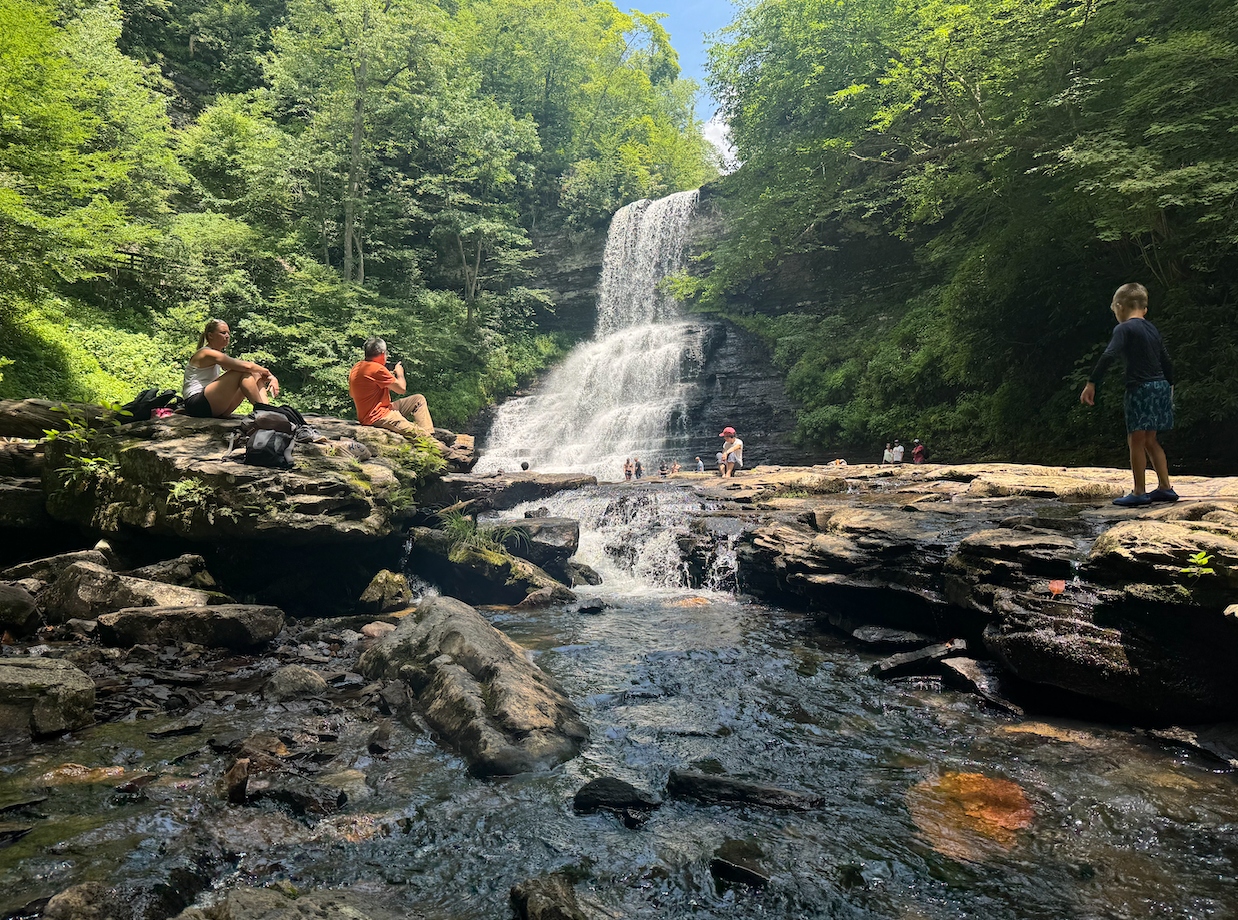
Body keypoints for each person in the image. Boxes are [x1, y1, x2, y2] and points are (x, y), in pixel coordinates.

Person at [1080, 282, 1177, 506]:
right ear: (1145, 308)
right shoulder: (1152, 329)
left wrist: (1092, 382)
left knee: (1135, 439)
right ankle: (1165, 487)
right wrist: (1170, 386)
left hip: (1140, 387)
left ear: (1119, 306)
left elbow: (1109, 355)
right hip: (1161, 385)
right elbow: (1166, 360)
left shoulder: (1124, 329)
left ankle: (1139, 491)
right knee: (1150, 439)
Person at [182, 319, 279, 418]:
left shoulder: (218, 354)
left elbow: (249, 369)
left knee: (255, 374)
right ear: (210, 335)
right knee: (242, 372)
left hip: (210, 405)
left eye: (228, 333)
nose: (227, 336)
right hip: (196, 404)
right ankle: (263, 410)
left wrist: (262, 374)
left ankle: (267, 411)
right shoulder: (206, 353)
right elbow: (246, 366)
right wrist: (270, 374)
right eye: (223, 333)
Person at [348, 336, 434, 437]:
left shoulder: (357, 367)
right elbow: (401, 389)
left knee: (418, 399)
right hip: (379, 416)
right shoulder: (378, 369)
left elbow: (353, 394)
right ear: (383, 353)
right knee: (421, 435)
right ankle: (430, 440)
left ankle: (429, 433)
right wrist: (400, 373)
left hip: (373, 412)